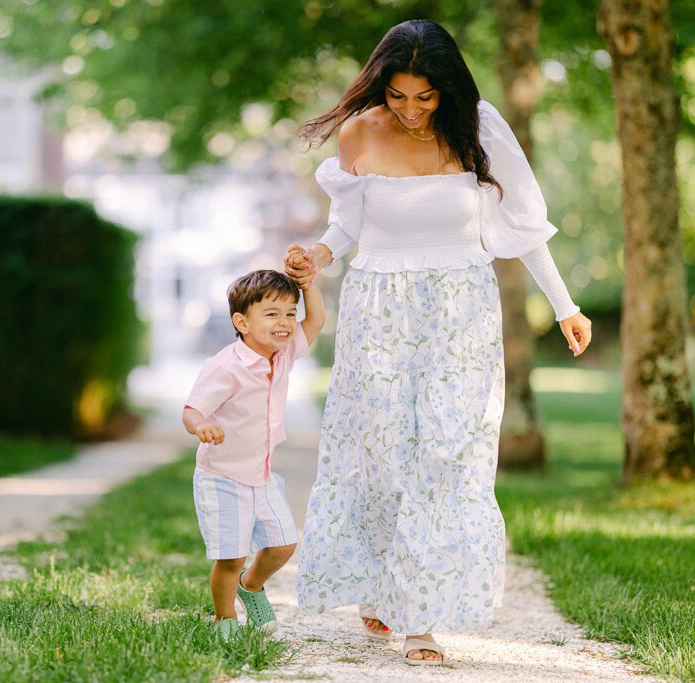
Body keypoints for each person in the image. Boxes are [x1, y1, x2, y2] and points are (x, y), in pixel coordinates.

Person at [284, 19, 593, 666]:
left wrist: (564, 304)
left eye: (425, 97)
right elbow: (347, 224)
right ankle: (384, 585)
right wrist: (317, 254)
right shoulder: (360, 132)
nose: (412, 111)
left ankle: (420, 616)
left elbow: (523, 224)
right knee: (384, 451)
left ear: (447, 87)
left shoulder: (478, 127)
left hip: (461, 309)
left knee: (448, 450)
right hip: (378, 309)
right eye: (398, 96)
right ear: (381, 86)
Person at [182, 269, 325, 639]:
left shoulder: (284, 353)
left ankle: (252, 586)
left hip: (261, 475)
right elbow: (191, 411)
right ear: (241, 322)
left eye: (290, 313)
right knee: (231, 557)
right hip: (222, 477)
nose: (285, 322)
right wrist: (201, 427)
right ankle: (225, 618)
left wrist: (308, 284)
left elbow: (318, 319)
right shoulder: (225, 366)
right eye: (272, 314)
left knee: (282, 545)